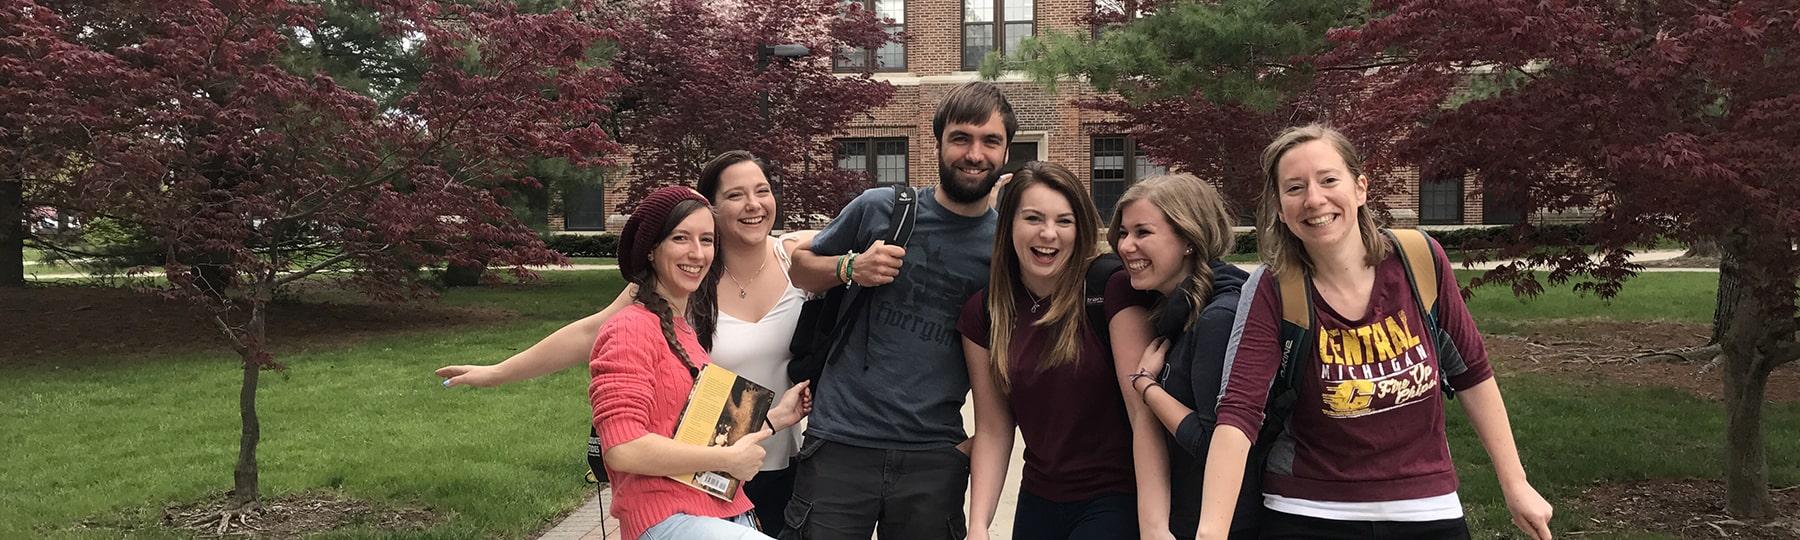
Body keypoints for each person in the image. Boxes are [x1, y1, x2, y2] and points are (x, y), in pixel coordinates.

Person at [1192, 124, 1554, 539]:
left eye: (1329, 180)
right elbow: (1238, 413)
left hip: (1425, 505)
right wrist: (1211, 532)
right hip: (1306, 508)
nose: (1314, 199)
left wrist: (1516, 484)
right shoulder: (1274, 288)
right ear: (1278, 206)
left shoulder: (1419, 260)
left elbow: (1471, 374)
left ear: (1360, 188)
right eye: (1294, 188)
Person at [435, 151, 817, 533]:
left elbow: (861, 240)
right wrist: (498, 373)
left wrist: (779, 417)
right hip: (691, 486)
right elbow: (594, 336)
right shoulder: (658, 301)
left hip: (762, 462)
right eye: (735, 195)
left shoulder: (790, 262)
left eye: (762, 190)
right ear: (710, 207)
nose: (753, 204)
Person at [782, 80, 1016, 540]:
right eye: (961, 138)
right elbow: (800, 270)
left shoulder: (1005, 246)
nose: (975, 153)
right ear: (938, 144)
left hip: (933, 453)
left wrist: (973, 447)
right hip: (841, 443)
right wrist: (851, 266)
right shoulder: (881, 208)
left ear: (1006, 153)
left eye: (991, 141)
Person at [589, 184, 810, 540]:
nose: (697, 253)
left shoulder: (684, 333)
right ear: (650, 250)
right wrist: (725, 461)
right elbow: (623, 449)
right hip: (669, 518)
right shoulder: (630, 327)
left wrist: (777, 418)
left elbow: (697, 434)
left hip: (721, 513)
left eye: (707, 240)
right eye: (681, 238)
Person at [956, 161, 1155, 540]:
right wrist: (978, 526)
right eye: (1033, 218)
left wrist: (1155, 522)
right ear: (1008, 224)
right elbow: (995, 430)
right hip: (1039, 499)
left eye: (1064, 221)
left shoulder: (1109, 288)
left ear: (1079, 228)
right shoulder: (985, 311)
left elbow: (1143, 417)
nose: (1049, 234)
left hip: (1116, 497)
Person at [1108, 174, 1256, 539]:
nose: (1126, 246)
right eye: (1124, 233)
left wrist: (1146, 386)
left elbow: (1214, 446)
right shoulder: (1180, 311)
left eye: (1143, 232)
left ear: (1188, 239)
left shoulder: (1219, 318)